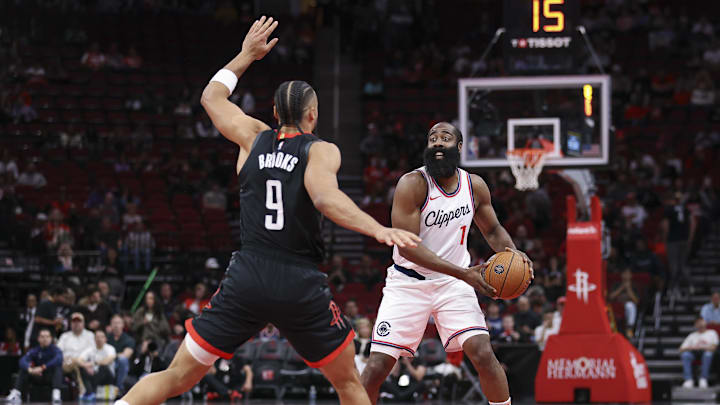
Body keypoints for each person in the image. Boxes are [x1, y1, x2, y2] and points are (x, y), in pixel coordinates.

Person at [114, 16, 419, 405]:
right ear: (312, 116)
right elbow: (326, 199)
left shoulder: (251, 138)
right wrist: (378, 229)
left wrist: (245, 55)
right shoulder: (320, 150)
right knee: (349, 385)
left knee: (176, 376)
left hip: (248, 276)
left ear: (274, 114)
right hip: (299, 282)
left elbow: (210, 98)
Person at [360, 122, 532, 405]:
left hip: (453, 285)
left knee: (483, 354)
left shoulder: (474, 186)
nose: (438, 142)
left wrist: (514, 254)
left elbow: (491, 230)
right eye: (432, 138)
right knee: (377, 366)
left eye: (445, 137)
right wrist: (464, 273)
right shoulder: (412, 184)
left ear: (459, 147)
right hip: (408, 283)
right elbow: (408, 247)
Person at [4, 329, 63, 404]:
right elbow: (22, 360)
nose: (45, 339)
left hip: (50, 377)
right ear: (38, 339)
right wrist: (30, 370)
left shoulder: (55, 350)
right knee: (23, 368)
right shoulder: (35, 350)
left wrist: (43, 367)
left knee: (58, 367)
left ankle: (56, 394)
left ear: (51, 338)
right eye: (42, 337)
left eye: (47, 337)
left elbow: (58, 359)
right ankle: (16, 392)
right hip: (37, 375)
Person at [57, 312, 95, 396]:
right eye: (74, 322)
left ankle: (82, 389)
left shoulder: (90, 335)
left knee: (77, 364)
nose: (76, 324)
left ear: (83, 323)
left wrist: (82, 361)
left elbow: (92, 352)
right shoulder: (64, 336)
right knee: (73, 362)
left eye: (79, 321)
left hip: (84, 363)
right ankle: (82, 389)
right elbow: (58, 351)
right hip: (67, 363)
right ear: (70, 323)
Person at [78, 330, 117, 401]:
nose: (99, 339)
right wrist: (85, 365)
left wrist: (92, 364)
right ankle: (90, 392)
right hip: (94, 374)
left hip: (108, 376)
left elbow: (108, 360)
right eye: (97, 337)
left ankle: (91, 391)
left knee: (103, 367)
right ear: (94, 339)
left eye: (101, 337)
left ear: (105, 339)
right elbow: (79, 360)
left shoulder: (110, 348)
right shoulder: (90, 349)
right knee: (81, 367)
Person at [680, 318, 718, 388]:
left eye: (701, 322)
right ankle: (688, 379)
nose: (700, 324)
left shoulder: (712, 333)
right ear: (695, 325)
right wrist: (692, 347)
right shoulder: (692, 335)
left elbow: (714, 347)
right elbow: (681, 349)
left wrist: (702, 348)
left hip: (707, 352)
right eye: (698, 323)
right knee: (685, 355)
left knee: (708, 354)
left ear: (705, 323)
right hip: (694, 353)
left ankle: (703, 378)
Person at [107, 315, 135, 393]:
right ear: (111, 325)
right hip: (106, 363)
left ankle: (119, 388)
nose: (116, 325)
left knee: (123, 360)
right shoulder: (106, 338)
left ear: (123, 325)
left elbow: (126, 355)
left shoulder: (128, 339)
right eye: (114, 323)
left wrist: (112, 356)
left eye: (118, 323)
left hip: (119, 364)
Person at [608, 268, 640, 338]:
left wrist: (628, 288)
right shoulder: (616, 285)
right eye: (624, 273)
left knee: (630, 306)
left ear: (631, 275)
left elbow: (636, 301)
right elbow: (610, 297)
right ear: (621, 275)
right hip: (616, 308)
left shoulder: (634, 286)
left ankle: (629, 328)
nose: (626, 276)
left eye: (628, 274)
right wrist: (622, 287)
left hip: (628, 309)